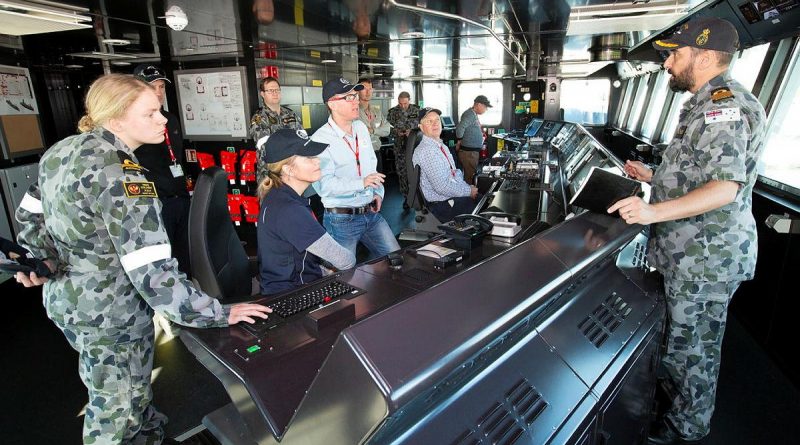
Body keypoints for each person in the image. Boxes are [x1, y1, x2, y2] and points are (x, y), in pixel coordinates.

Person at [14, 74, 271, 445]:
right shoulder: (122, 175)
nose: (163, 119)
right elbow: (152, 273)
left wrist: (44, 260)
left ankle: (147, 436)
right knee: (115, 407)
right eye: (150, 113)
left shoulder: (61, 152)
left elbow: (30, 214)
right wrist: (217, 312)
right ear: (116, 118)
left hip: (67, 301)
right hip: (111, 311)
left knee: (122, 385)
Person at [607, 18, 766, 445]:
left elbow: (723, 188)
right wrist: (654, 175)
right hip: (690, 252)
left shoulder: (723, 106)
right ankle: (674, 417)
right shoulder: (702, 104)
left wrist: (651, 211)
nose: (667, 65)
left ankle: (686, 432)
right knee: (679, 346)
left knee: (692, 353)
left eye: (675, 54)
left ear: (705, 55)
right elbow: (699, 176)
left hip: (705, 258)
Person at [256, 129, 356, 295]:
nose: (317, 161)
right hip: (293, 296)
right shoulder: (290, 210)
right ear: (288, 169)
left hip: (289, 287)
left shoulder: (279, 196)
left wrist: (323, 270)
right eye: (309, 157)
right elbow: (345, 261)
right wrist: (326, 270)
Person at [311, 78, 401, 259]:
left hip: (371, 213)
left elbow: (370, 167)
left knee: (396, 259)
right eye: (349, 97)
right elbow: (325, 186)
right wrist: (361, 183)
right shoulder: (319, 139)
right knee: (343, 276)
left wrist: (378, 192)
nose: (356, 100)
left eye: (355, 96)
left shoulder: (360, 128)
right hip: (342, 219)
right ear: (332, 104)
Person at [132, 64, 192, 277]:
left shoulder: (169, 119)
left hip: (180, 198)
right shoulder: (133, 126)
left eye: (161, 87)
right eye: (152, 87)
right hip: (156, 202)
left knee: (184, 254)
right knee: (163, 258)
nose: (158, 93)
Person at [412, 107, 479, 222]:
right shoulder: (428, 151)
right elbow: (442, 187)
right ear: (421, 127)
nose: (435, 124)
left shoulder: (440, 146)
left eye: (437, 120)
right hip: (441, 206)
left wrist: (467, 188)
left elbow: (454, 173)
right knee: (486, 209)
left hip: (449, 197)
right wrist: (468, 191)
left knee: (484, 200)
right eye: (429, 121)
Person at [249, 76, 303, 184]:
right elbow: (267, 148)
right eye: (270, 90)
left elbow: (302, 139)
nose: (275, 93)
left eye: (277, 90)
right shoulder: (259, 119)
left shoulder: (290, 114)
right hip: (270, 175)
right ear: (262, 94)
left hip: (294, 173)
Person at [386, 91, 420, 206]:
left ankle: (419, 196)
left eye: (405, 103)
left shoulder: (417, 111)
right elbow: (386, 130)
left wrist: (413, 131)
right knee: (402, 174)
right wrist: (396, 132)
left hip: (415, 148)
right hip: (400, 148)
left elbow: (423, 127)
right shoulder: (392, 112)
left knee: (417, 172)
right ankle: (406, 197)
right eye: (400, 104)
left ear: (409, 100)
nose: (403, 106)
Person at [357, 78, 391, 173]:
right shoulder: (353, 112)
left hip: (376, 153)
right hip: (361, 156)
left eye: (370, 89)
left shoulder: (376, 111)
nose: (368, 92)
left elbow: (387, 129)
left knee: (378, 184)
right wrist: (379, 130)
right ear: (357, 91)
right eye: (364, 89)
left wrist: (373, 131)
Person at [455, 95, 491, 184]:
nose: (485, 109)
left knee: (471, 174)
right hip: (468, 153)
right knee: (470, 177)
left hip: (471, 152)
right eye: (485, 107)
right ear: (478, 104)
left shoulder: (473, 114)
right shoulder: (469, 114)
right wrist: (459, 141)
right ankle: (469, 195)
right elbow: (460, 128)